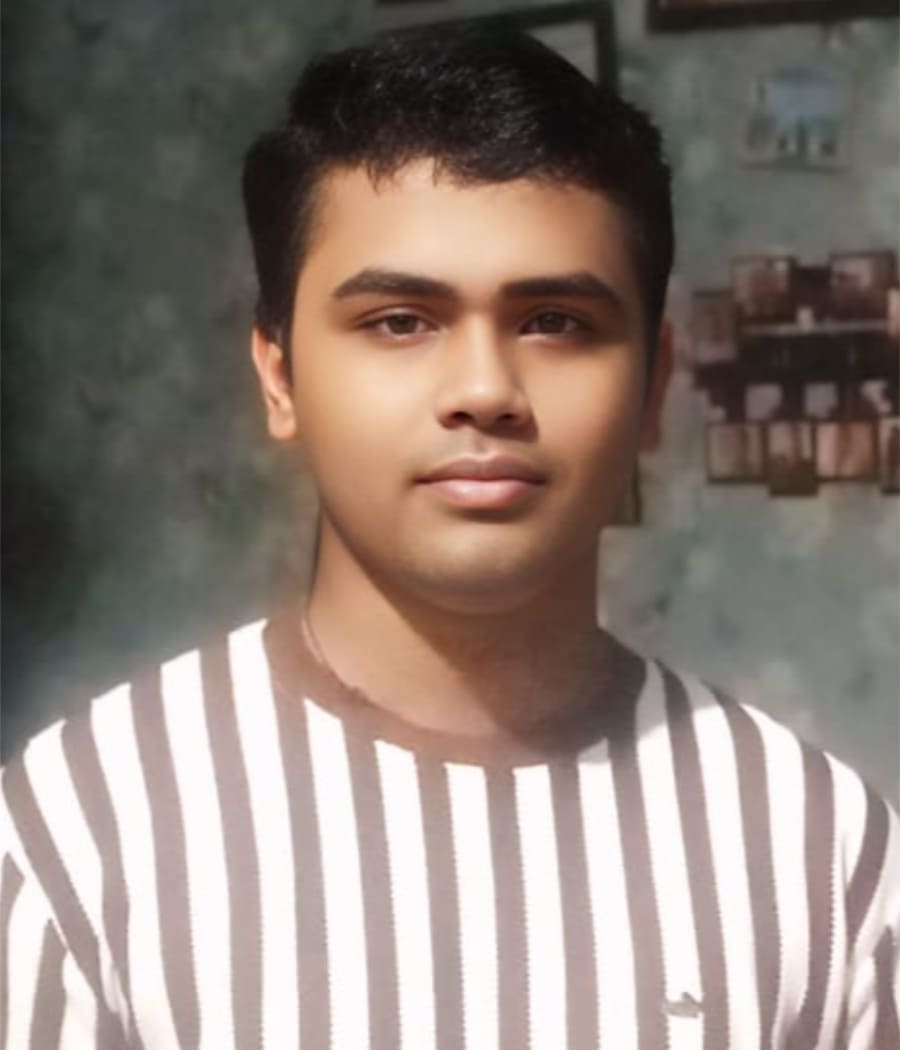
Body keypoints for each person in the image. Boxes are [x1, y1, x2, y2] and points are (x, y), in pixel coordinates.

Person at [1, 23, 898, 1050]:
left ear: (653, 387)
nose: (483, 389)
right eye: (399, 320)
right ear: (280, 376)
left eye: (555, 321)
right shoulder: (80, 835)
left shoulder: (817, 851)